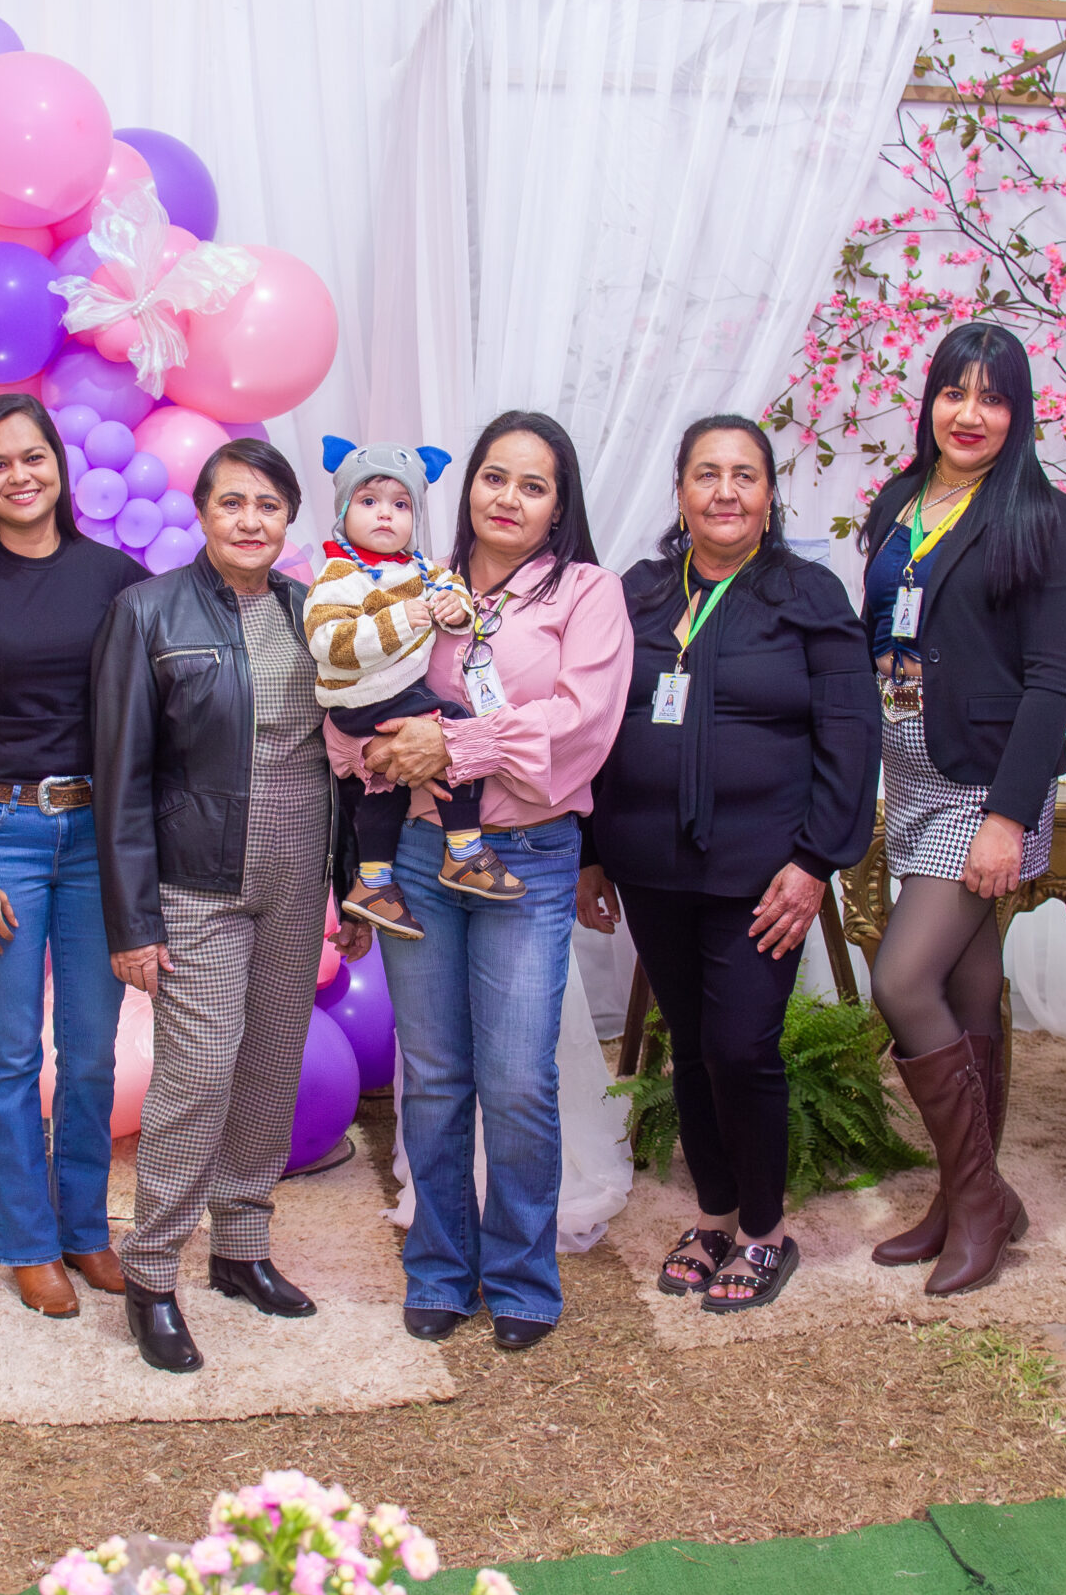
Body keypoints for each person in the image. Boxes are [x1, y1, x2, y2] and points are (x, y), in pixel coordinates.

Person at [332, 410, 633, 1352]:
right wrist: (378, 745)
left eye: (533, 485)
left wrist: (452, 742)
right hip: (418, 853)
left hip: (532, 857)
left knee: (514, 1078)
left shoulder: (588, 594)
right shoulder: (417, 582)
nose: (508, 498)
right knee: (433, 1076)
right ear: (466, 488)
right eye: (494, 477)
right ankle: (438, 1268)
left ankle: (519, 1275)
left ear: (558, 506)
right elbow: (343, 701)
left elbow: (580, 724)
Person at [577, 416, 879, 1314]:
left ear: (770, 493)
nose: (726, 491)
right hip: (651, 864)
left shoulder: (808, 593)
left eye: (745, 475)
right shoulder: (633, 594)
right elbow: (590, 724)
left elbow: (852, 735)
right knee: (695, 1047)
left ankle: (764, 1231)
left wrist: (817, 859)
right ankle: (712, 1218)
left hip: (764, 870)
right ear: (679, 491)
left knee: (743, 1047)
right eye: (707, 473)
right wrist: (594, 854)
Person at [93, 441, 377, 1371]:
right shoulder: (146, 611)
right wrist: (132, 921)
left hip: (300, 878)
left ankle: (242, 1248)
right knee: (197, 1076)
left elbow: (348, 761)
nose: (251, 520)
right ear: (203, 514)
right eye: (232, 503)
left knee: (266, 1070)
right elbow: (122, 778)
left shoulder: (317, 613)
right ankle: (150, 1271)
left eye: (269, 504)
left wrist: (354, 881)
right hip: (195, 882)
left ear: (289, 518)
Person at [858, 321, 1066, 1298]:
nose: (970, 413)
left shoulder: (1041, 515)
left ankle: (980, 1198)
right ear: (931, 400)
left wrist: (1007, 816)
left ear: (1016, 412)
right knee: (966, 988)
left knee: (903, 981)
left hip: (984, 788)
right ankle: (966, 1199)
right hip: (907, 776)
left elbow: (1048, 681)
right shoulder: (897, 500)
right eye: (956, 392)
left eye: (993, 397)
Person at [0, 392, 146, 1320]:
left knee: (89, 1054)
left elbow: (142, 717)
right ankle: (28, 1241)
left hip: (96, 840)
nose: (19, 476)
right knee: (11, 1057)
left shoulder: (116, 577)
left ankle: (85, 1226)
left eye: (33, 457)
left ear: (60, 464)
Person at [304, 439, 524, 938]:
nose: (386, 515)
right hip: (362, 701)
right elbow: (330, 644)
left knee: (387, 786)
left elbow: (453, 590)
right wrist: (403, 618)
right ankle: (464, 850)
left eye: (400, 505)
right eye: (369, 501)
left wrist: (456, 609)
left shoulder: (420, 568)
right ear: (343, 512)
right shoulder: (339, 576)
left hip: (390, 696)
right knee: (458, 732)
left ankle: (374, 882)